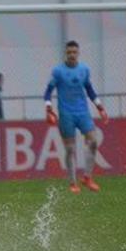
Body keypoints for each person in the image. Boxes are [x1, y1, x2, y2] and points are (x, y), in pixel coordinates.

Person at [43, 40, 110, 194]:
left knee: (93, 141)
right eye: (69, 52)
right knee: (70, 148)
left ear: (78, 53)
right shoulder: (58, 72)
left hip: (83, 112)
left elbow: (89, 89)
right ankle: (73, 182)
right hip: (66, 114)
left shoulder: (84, 70)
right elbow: (48, 91)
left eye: (74, 52)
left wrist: (99, 106)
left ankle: (87, 177)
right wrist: (48, 107)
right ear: (66, 54)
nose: (72, 55)